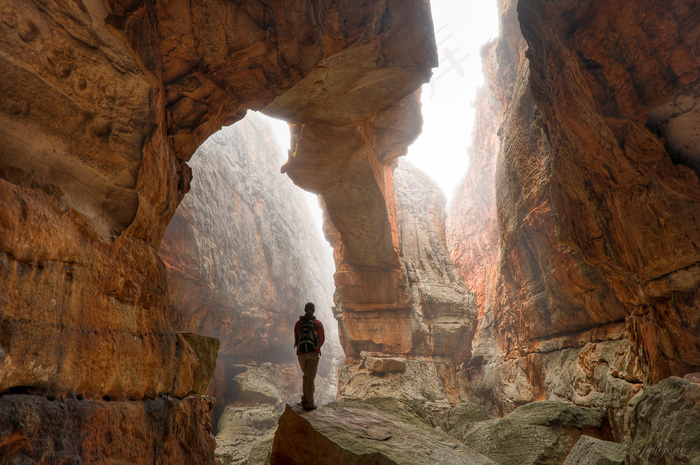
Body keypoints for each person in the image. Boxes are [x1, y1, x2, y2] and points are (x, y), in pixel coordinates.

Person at [294, 302, 325, 410]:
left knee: (306, 375)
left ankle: (304, 399)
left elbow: (296, 339)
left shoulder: (298, 324)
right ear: (314, 310)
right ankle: (309, 403)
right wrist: (315, 348)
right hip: (313, 353)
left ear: (304, 309)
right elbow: (321, 339)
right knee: (310, 377)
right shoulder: (318, 324)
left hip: (301, 354)